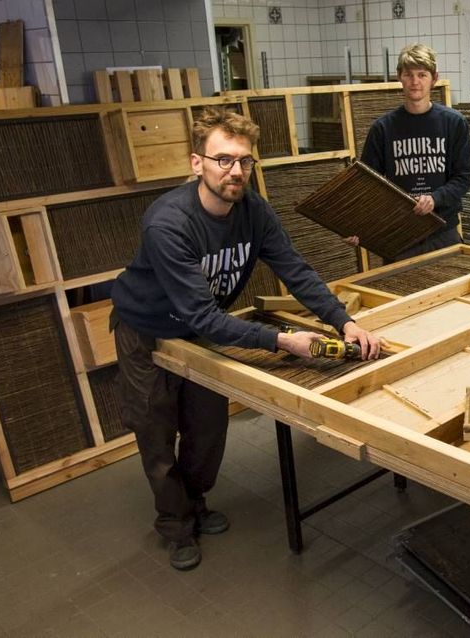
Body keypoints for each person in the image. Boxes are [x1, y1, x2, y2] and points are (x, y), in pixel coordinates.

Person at [111, 106, 380, 571]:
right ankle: (175, 525)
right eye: (223, 160)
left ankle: (195, 502)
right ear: (197, 163)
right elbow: (207, 316)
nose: (235, 172)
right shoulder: (168, 224)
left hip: (199, 329)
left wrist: (342, 321)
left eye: (244, 161)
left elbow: (294, 268)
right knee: (156, 434)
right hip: (148, 333)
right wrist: (283, 340)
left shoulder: (253, 210)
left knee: (208, 428)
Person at [344, 43, 470, 262]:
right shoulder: (383, 129)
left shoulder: (454, 123)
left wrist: (435, 198)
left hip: (443, 234)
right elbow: (366, 185)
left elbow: (463, 178)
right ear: (399, 77)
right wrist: (358, 225)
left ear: (434, 78)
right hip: (400, 237)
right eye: (408, 74)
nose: (415, 82)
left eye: (422, 74)